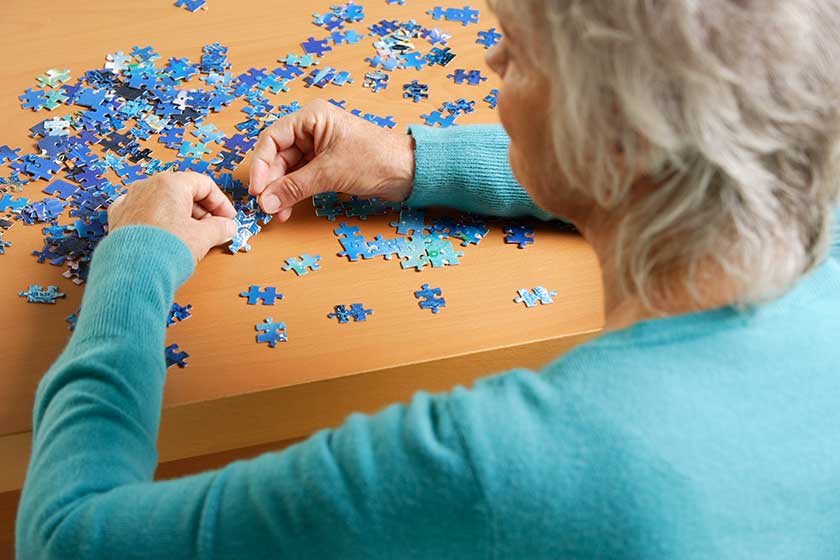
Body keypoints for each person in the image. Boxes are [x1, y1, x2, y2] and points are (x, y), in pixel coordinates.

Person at [17, 1, 840, 558]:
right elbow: (694, 168)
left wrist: (134, 262)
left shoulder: (497, 460)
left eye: (519, 55)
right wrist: (407, 161)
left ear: (618, 145)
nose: (489, 57)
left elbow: (69, 538)